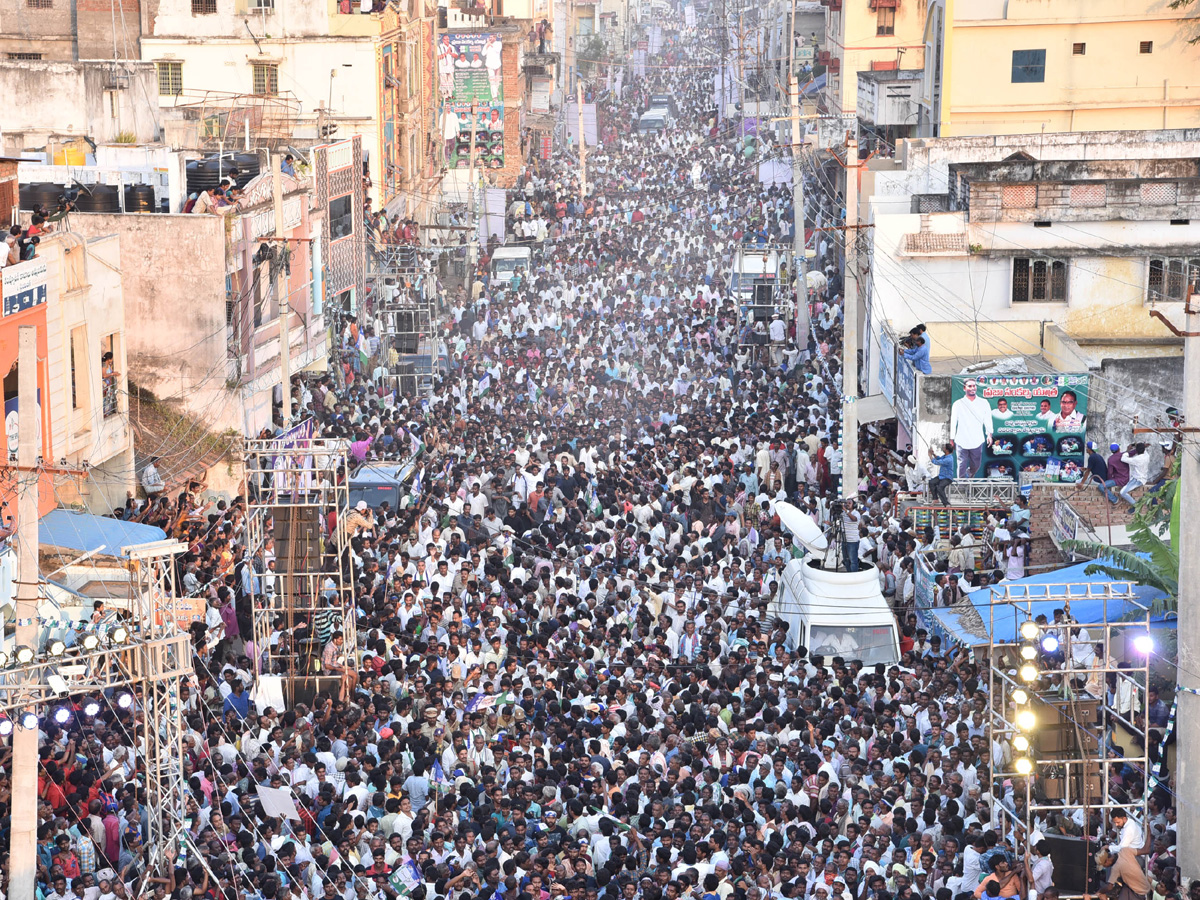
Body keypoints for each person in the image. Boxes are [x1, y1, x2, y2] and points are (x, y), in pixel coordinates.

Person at [950, 379, 993, 478]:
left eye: (974, 386)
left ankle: (969, 474)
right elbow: (953, 422)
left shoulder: (984, 402)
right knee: (961, 464)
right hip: (961, 440)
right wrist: (951, 439)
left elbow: (987, 419)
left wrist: (989, 434)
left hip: (977, 440)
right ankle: (961, 485)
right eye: (970, 386)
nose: (972, 388)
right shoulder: (958, 404)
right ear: (965, 388)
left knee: (976, 465)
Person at [1120, 442, 1151, 507]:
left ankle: (1136, 505)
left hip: (1137, 480)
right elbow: (1143, 450)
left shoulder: (1136, 459)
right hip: (1143, 478)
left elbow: (1123, 459)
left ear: (1136, 450)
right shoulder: (1147, 456)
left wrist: (1128, 450)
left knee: (1122, 492)